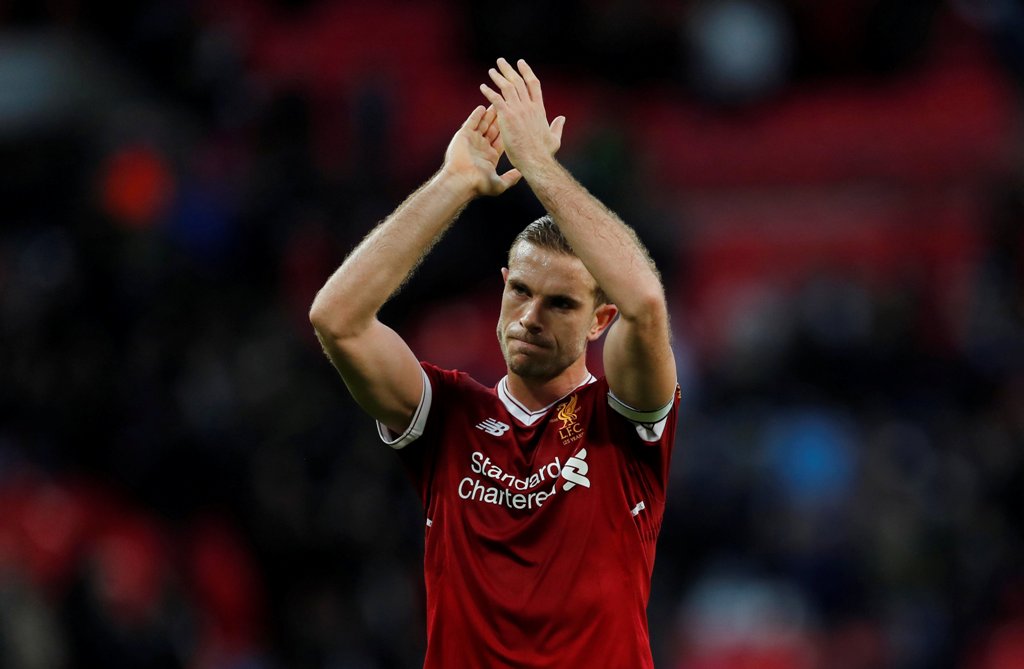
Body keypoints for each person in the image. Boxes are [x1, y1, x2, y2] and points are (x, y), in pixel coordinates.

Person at [309, 58, 679, 668]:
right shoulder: (447, 417)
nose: (531, 317)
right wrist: (453, 182)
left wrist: (539, 167)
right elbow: (336, 318)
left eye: (560, 303)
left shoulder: (625, 424)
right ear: (502, 284)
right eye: (520, 292)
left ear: (599, 321)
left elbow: (644, 300)